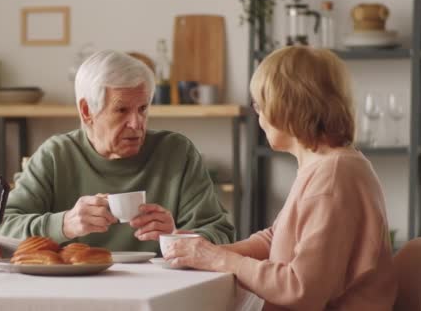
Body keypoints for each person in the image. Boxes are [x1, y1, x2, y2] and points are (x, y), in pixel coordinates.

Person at [163, 46, 397, 310]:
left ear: (288, 105)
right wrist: (204, 251)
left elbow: (301, 289)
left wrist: (220, 260)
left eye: (260, 104)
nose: (258, 115)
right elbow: (277, 238)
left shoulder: (332, 177)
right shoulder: (325, 165)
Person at [0, 50, 234, 252]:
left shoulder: (177, 153)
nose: (136, 123)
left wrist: (177, 235)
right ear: (87, 111)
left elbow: (222, 234)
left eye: (142, 109)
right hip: (73, 289)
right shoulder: (55, 156)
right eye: (122, 111)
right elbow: (0, 228)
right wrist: (65, 223)